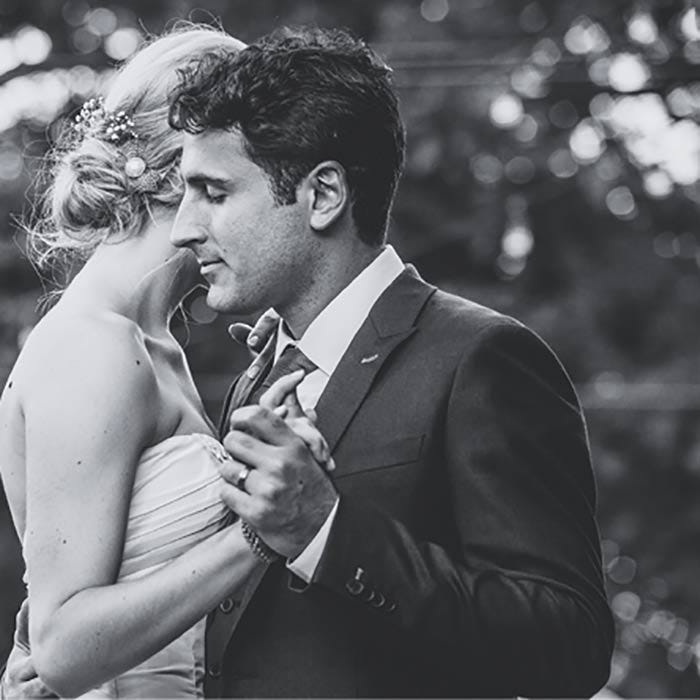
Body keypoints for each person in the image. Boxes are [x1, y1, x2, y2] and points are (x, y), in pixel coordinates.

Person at [166, 25, 615, 698]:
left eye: (215, 192)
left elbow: (570, 645)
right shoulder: (255, 378)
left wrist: (328, 532)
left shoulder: (482, 358)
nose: (184, 228)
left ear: (324, 195)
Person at [0, 26, 331, 698]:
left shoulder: (154, 344)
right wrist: (256, 537)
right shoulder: (93, 347)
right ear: (192, 170)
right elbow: (62, 647)